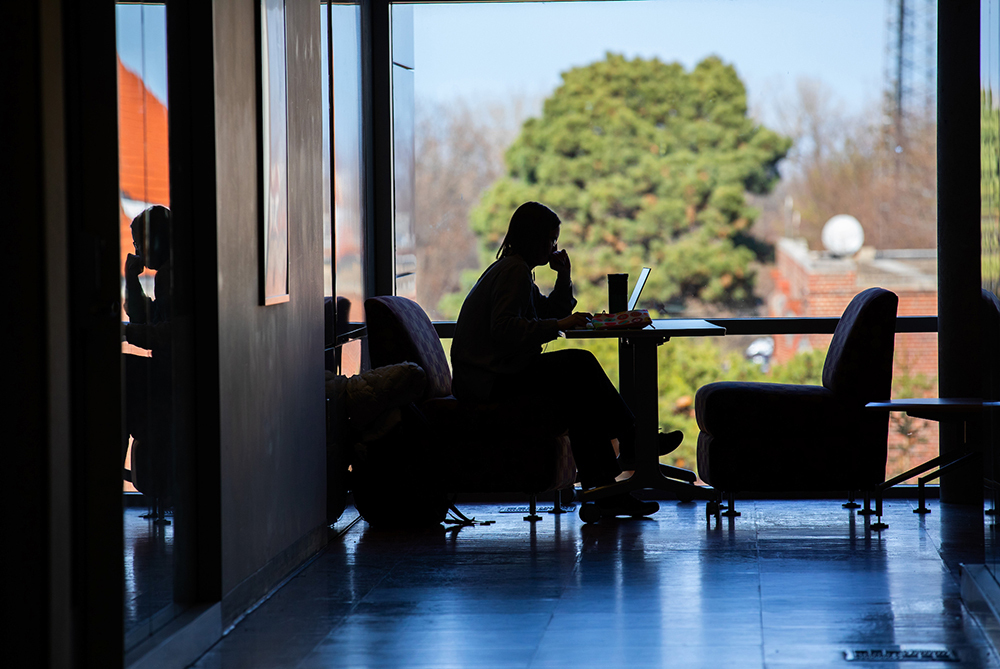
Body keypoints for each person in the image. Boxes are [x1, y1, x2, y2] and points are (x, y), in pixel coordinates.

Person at [450, 201, 680, 517]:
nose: (554, 247)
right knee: (580, 363)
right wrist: (559, 326)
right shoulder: (514, 271)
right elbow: (504, 329)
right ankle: (634, 442)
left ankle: (606, 491)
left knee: (578, 397)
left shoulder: (517, 269)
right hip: (489, 380)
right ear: (533, 238)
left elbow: (550, 312)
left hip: (490, 376)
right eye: (551, 240)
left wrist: (564, 277)